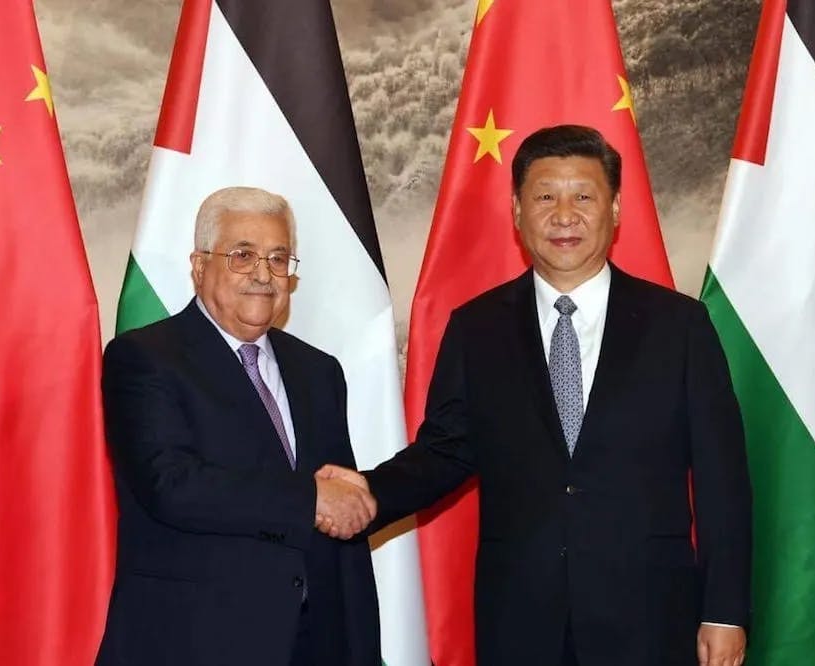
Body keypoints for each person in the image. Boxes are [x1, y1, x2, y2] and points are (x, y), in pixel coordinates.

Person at [319, 126, 752, 666]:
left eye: (584, 196)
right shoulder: (476, 328)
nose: (563, 214)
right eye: (545, 196)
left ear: (615, 209)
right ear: (518, 212)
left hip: (649, 618)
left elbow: (722, 480)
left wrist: (725, 611)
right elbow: (445, 452)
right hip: (520, 620)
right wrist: (370, 491)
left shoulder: (679, 326)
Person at [96, 186, 381, 666]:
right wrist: (310, 499)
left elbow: (338, 523)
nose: (263, 275)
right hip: (194, 641)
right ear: (199, 265)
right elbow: (172, 486)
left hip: (316, 642)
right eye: (243, 256)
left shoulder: (319, 371)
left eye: (278, 258)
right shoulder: (144, 358)